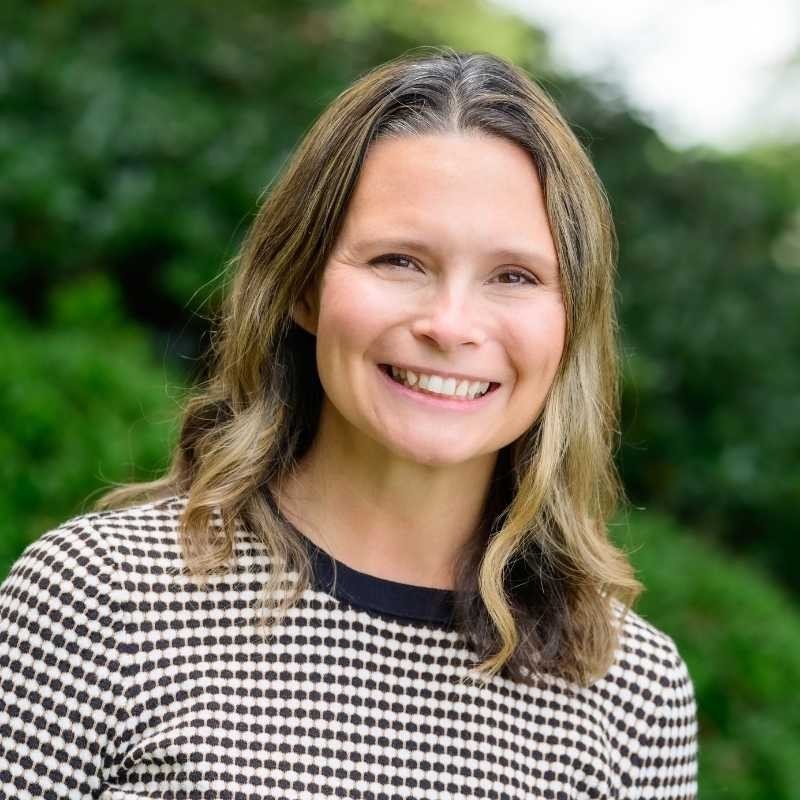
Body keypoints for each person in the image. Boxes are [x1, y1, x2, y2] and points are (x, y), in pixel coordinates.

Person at [0, 47, 698, 798]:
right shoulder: (99, 597)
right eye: (400, 260)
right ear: (304, 288)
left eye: (514, 276)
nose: (450, 324)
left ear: (571, 322)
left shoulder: (634, 691)